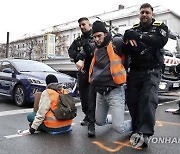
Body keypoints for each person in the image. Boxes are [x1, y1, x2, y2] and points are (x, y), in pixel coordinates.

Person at [123, 3, 169, 148]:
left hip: (152, 71)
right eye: (142, 12)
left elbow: (159, 41)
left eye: (147, 12)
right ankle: (136, 128)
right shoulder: (133, 29)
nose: (144, 15)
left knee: (148, 100)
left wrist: (139, 37)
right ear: (139, 14)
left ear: (152, 14)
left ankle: (145, 133)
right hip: (135, 71)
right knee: (132, 100)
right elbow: (127, 48)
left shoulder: (160, 27)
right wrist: (126, 39)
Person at [89, 20, 132, 135]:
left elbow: (126, 45)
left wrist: (129, 36)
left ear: (105, 34)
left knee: (119, 129)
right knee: (99, 122)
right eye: (94, 37)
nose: (97, 39)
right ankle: (116, 120)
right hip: (100, 93)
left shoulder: (115, 43)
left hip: (115, 91)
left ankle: (137, 123)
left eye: (99, 36)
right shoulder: (96, 48)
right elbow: (85, 50)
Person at [68, 17, 95, 127]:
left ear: (89, 25)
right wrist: (78, 57)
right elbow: (70, 51)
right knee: (83, 97)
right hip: (83, 72)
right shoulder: (78, 40)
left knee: (93, 96)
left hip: (93, 70)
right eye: (80, 25)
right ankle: (87, 115)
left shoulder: (95, 37)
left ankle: (92, 117)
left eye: (84, 24)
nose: (82, 27)